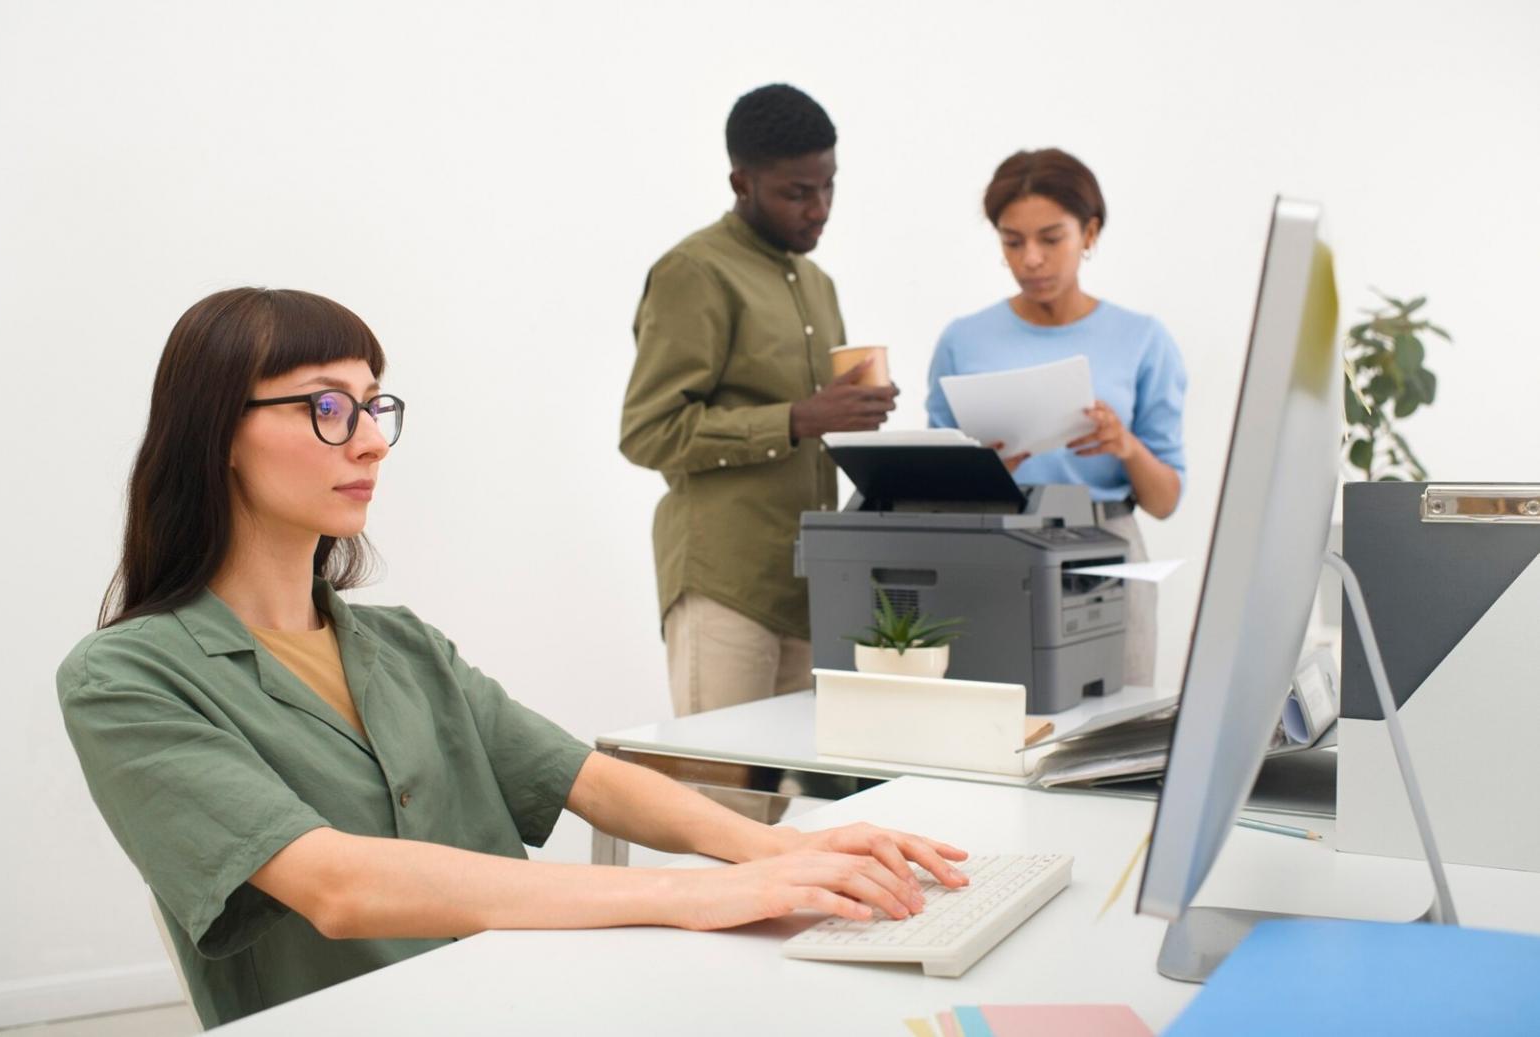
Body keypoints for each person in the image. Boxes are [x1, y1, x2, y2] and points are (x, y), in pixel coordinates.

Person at [57, 288, 965, 1028]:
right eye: (327, 408)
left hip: (531, 1000)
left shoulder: (400, 642)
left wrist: (779, 848)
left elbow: (583, 775)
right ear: (215, 432)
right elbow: (334, 884)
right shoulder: (125, 678)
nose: (371, 438)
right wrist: (680, 896)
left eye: (374, 406)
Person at [620, 83, 898, 719]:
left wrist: (857, 416)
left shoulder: (819, 284)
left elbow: (818, 427)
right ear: (741, 183)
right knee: (722, 808)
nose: (820, 208)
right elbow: (648, 432)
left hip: (809, 588)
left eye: (828, 186)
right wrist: (799, 418)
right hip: (725, 585)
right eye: (797, 193)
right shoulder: (695, 271)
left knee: (777, 813)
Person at [925, 149, 1188, 686]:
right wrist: (978, 466)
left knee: (1115, 722)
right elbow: (930, 490)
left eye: (1051, 238)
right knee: (993, 715)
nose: (1031, 260)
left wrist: (1127, 446)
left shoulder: (1143, 339)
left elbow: (1165, 500)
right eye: (1012, 241)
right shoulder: (963, 340)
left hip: (1107, 541)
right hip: (995, 542)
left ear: (1089, 233)